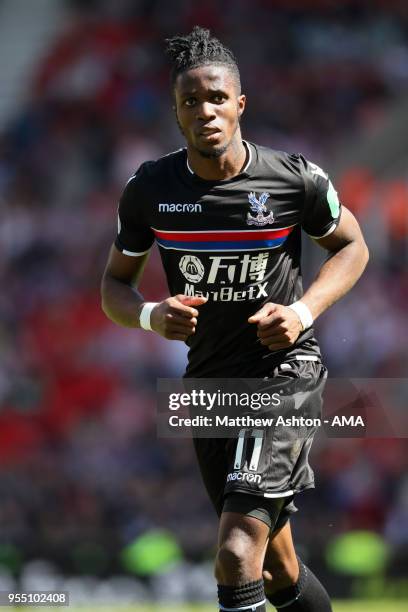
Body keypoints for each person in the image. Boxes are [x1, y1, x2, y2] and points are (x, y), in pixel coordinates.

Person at [101, 26, 369, 612]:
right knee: (276, 568)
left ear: (239, 103)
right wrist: (150, 314)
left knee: (234, 554)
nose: (205, 110)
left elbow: (353, 247)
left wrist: (301, 311)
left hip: (284, 372)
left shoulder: (293, 178)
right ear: (176, 114)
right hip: (210, 386)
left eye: (217, 97)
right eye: (190, 101)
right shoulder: (149, 190)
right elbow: (113, 287)